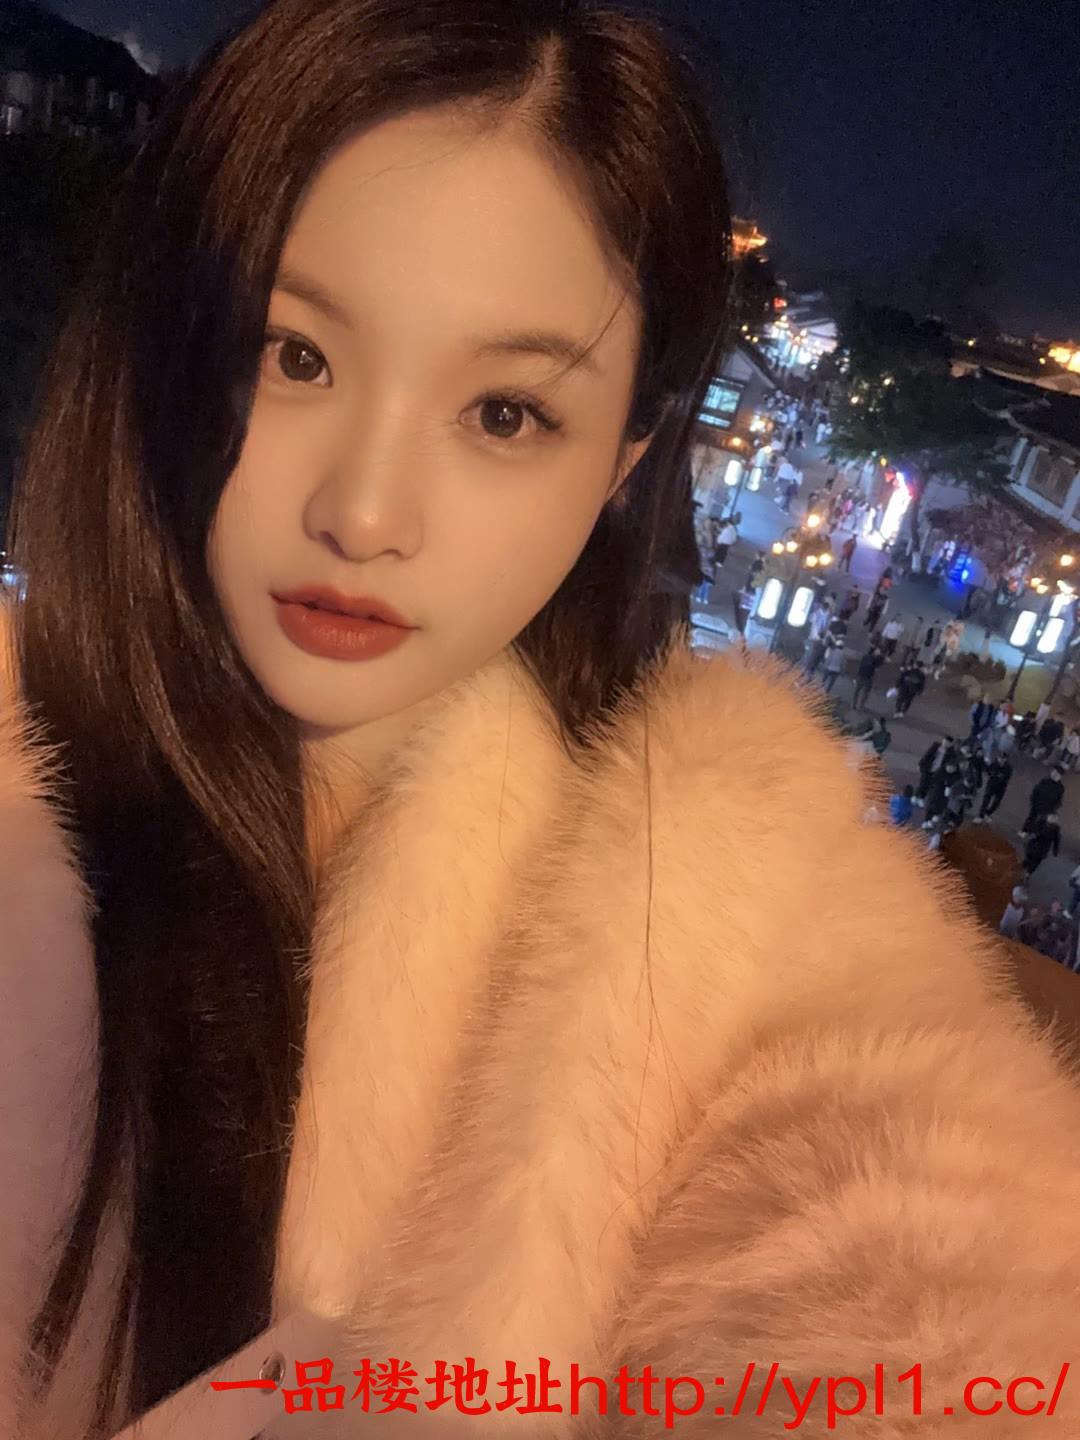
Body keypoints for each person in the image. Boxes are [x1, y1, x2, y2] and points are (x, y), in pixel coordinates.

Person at [5, 3, 1080, 1433]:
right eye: (293, 354)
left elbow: (929, 1270)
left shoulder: (712, 884)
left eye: (506, 414)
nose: (365, 513)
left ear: (623, 464)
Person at [1021, 768, 1065, 837]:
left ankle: (1034, 834)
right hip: (1037, 804)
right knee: (1031, 818)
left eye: (1057, 774)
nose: (1054, 775)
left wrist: (1053, 809)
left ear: (1060, 777)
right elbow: (1036, 790)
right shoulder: (1045, 781)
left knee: (1041, 822)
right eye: (1054, 772)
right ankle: (1025, 831)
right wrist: (1033, 799)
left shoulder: (1060, 788)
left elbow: (1058, 800)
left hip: (1047, 808)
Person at [975, 753, 1013, 821]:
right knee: (986, 800)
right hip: (991, 785)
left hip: (1001, 787)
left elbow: (1006, 778)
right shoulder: (994, 764)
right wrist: (991, 772)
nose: (1001, 760)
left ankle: (988, 813)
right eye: (999, 758)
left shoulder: (1009, 767)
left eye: (1003, 758)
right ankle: (981, 815)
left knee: (996, 802)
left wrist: (996, 776)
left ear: (1006, 759)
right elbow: (988, 771)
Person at [851, 644, 885, 710]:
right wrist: (880, 656)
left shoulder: (865, 656)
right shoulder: (875, 659)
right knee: (865, 692)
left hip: (860, 675)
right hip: (868, 677)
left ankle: (854, 704)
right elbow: (879, 664)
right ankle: (861, 705)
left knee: (857, 691)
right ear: (874, 652)